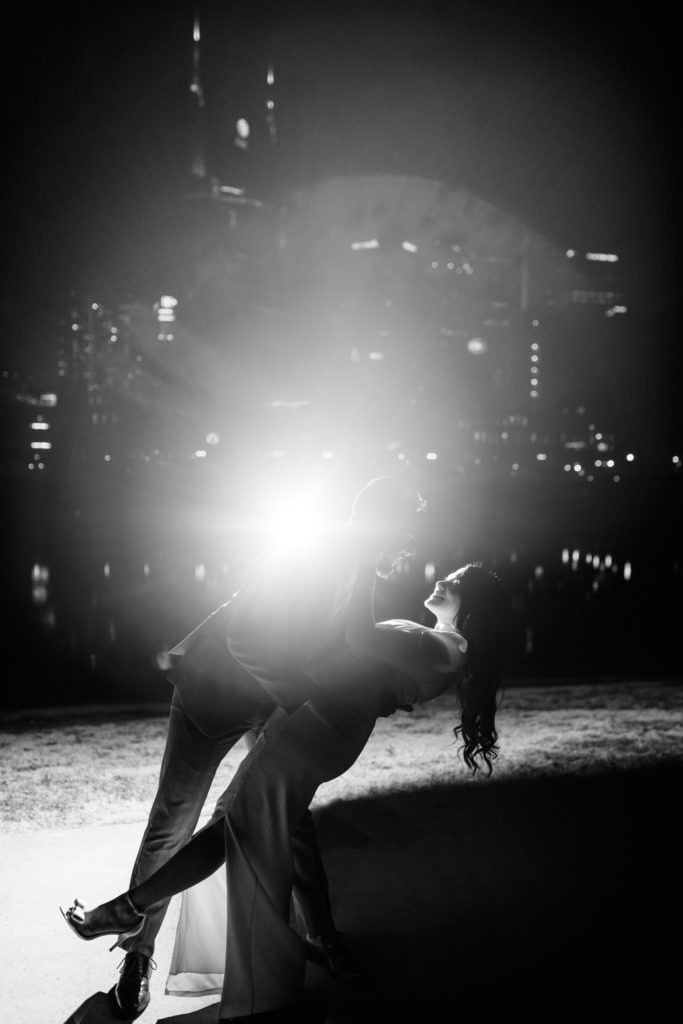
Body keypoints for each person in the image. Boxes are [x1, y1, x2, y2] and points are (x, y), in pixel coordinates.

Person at [62, 557, 510, 1022]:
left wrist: (375, 680)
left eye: (455, 580)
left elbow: (357, 644)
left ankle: (146, 913)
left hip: (310, 721)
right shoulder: (424, 627)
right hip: (281, 708)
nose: (435, 573)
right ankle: (140, 935)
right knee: (219, 822)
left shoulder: (439, 642)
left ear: (473, 607)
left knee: (247, 824)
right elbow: (274, 633)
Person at [81, 476, 424, 1019]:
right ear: (384, 526)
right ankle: (136, 954)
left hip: (268, 706)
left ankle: (323, 936)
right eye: (405, 534)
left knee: (289, 816)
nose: (408, 549)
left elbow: (313, 632)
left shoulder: (356, 569)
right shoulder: (317, 555)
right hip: (213, 698)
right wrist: (299, 694)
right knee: (174, 821)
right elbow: (243, 632)